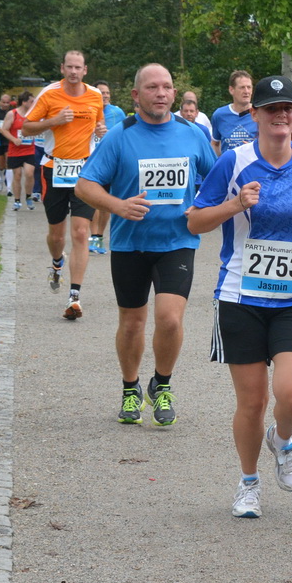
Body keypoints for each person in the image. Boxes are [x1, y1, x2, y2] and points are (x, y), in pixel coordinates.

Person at [186, 74, 292, 519]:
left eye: (288, 108)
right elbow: (194, 222)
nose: (281, 116)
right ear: (256, 116)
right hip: (240, 295)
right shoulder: (233, 162)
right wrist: (234, 205)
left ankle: (283, 440)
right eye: (272, 109)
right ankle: (248, 482)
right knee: (251, 402)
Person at [76, 64, 216, 429]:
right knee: (133, 322)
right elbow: (85, 186)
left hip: (177, 240)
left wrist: (202, 204)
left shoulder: (192, 134)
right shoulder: (120, 136)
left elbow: (216, 179)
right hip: (130, 243)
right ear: (136, 96)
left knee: (169, 319)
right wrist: (117, 206)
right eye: (152, 87)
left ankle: (163, 384)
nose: (161, 93)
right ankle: (130, 387)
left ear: (174, 94)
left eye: (167, 87)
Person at [22, 50, 106, 319]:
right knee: (57, 235)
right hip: (53, 169)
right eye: (69, 67)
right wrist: (54, 121)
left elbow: (99, 123)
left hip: (85, 170)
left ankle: (74, 296)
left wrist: (100, 131)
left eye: (77, 67)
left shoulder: (94, 95)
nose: (73, 71)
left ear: (85, 70)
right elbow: (26, 128)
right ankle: (57, 263)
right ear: (62, 68)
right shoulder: (49, 94)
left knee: (81, 233)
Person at [86, 80, 126, 255]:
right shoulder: (88, 110)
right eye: (102, 93)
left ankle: (99, 236)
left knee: (106, 202)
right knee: (95, 200)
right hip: (92, 160)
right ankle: (93, 236)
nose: (106, 96)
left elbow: (127, 133)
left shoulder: (118, 112)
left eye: (108, 93)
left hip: (113, 162)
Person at [2, 92, 39, 210]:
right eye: (31, 101)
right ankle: (17, 200)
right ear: (24, 102)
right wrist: (13, 139)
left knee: (29, 173)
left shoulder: (33, 114)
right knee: (17, 175)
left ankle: (28, 196)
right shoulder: (12, 114)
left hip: (29, 149)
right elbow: (4, 130)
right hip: (15, 150)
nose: (33, 103)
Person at [209, 70, 256, 155]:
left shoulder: (259, 113)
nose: (246, 91)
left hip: (253, 166)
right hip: (229, 167)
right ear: (231, 90)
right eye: (242, 87)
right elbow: (215, 143)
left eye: (249, 87)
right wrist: (219, 163)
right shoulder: (219, 115)